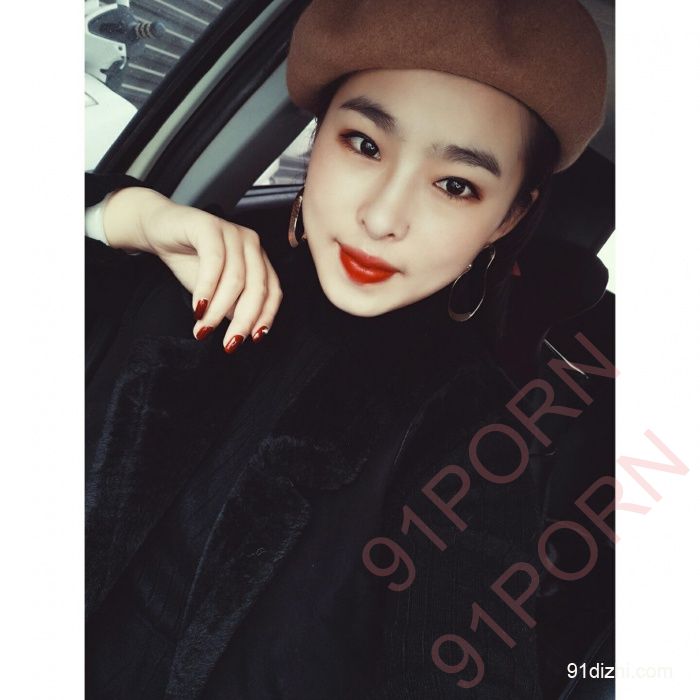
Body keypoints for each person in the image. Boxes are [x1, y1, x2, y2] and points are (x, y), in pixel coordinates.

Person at [85, 1, 608, 698]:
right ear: (317, 136)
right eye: (363, 145)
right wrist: (129, 216)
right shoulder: (197, 271)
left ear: (506, 218)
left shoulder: (475, 437)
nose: (383, 217)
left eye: (455, 185)